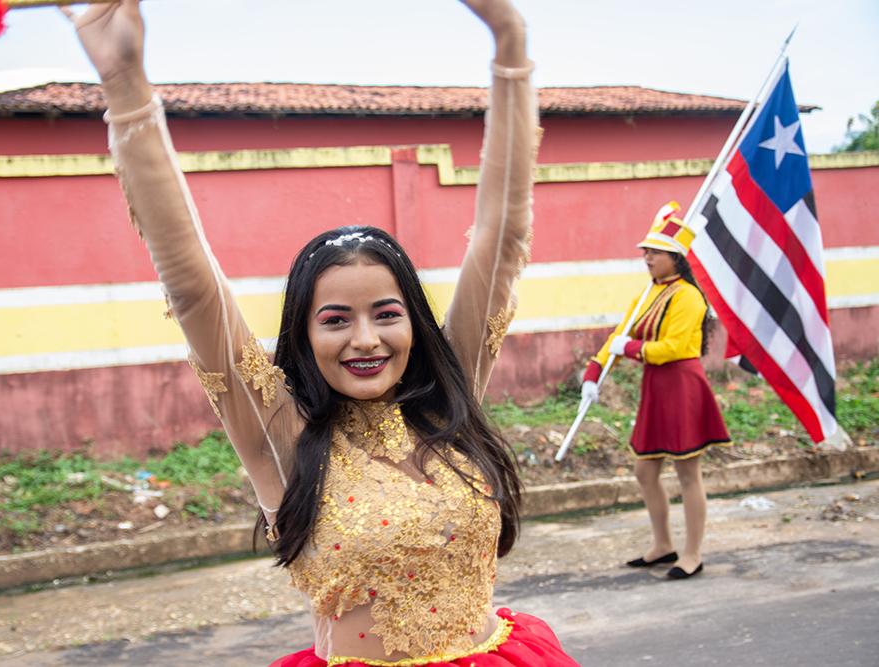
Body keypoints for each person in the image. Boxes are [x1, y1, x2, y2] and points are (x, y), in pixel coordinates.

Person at [65, 0, 579, 664]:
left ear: (414, 325)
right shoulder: (281, 429)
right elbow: (192, 283)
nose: (365, 338)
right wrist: (124, 84)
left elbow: (503, 237)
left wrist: (511, 42)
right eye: (335, 320)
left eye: (386, 313)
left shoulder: (451, 398)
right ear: (304, 337)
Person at [580, 201, 731, 580]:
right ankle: (663, 545)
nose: (646, 257)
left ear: (676, 258)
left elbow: (676, 348)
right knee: (645, 472)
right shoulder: (650, 292)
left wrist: (629, 349)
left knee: (687, 473)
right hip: (656, 388)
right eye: (646, 251)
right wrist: (593, 371)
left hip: (682, 387)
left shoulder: (688, 297)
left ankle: (692, 554)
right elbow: (622, 332)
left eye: (654, 252)